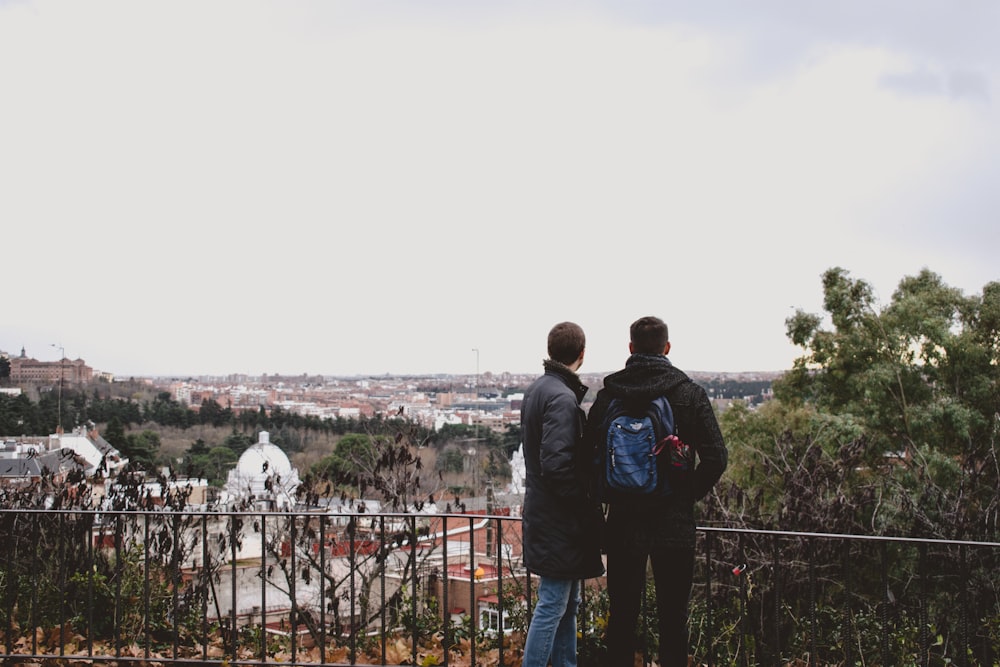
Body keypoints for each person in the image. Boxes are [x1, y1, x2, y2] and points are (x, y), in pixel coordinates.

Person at [588, 316, 728, 667]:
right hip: (674, 522)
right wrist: (686, 493)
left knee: (621, 615)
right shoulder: (688, 394)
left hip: (622, 521)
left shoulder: (609, 396)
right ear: (666, 348)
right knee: (673, 618)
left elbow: (587, 457)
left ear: (631, 348)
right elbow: (716, 458)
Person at [520, 321, 606, 667]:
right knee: (555, 603)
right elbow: (556, 465)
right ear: (582, 355)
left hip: (545, 514)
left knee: (566, 604)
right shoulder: (561, 397)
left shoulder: (539, 390)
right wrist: (583, 504)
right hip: (559, 519)